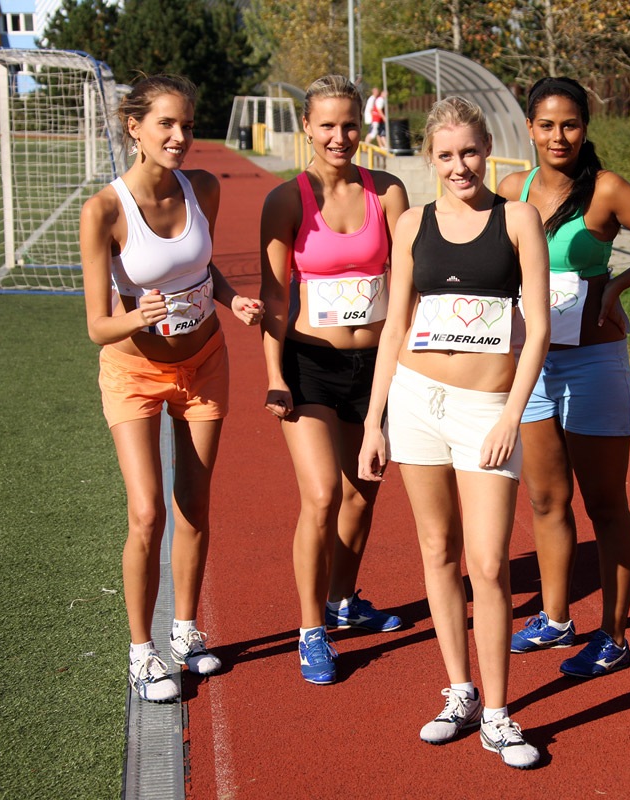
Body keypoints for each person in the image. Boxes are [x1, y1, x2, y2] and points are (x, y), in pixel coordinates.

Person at [358, 97, 550, 768]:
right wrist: (374, 420)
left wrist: (509, 415)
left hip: (487, 408)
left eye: (469, 151)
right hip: (416, 401)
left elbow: (540, 331)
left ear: (487, 148)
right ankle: (460, 692)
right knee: (438, 550)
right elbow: (394, 325)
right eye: (445, 155)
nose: (459, 165)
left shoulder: (519, 219)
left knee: (491, 563)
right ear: (431, 159)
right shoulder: (412, 223)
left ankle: (499, 714)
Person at [79, 74, 264, 703]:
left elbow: (200, 266)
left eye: (187, 124)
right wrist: (133, 316)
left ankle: (186, 631)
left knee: (195, 503)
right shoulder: (104, 210)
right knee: (146, 511)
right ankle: (141, 652)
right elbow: (96, 325)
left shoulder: (203, 188)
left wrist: (234, 300)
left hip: (206, 361)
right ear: (134, 128)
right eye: (166, 124)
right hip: (134, 372)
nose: (181, 137)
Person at [497, 77, 630, 678]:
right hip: (534, 362)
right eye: (548, 125)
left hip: (592, 359)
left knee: (606, 504)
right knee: (547, 499)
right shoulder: (512, 190)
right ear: (529, 127)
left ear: (585, 127)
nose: (560, 136)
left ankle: (614, 632)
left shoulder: (604, 190)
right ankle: (556, 619)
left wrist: (615, 286)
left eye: (571, 124)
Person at [260, 75, 409, 685]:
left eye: (349, 124)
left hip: (376, 367)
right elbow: (273, 296)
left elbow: (408, 279)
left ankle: (343, 601)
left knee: (361, 491)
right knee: (322, 494)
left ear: (363, 125)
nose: (339, 136)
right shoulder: (287, 199)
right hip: (309, 366)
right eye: (326, 125)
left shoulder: (389, 191)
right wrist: (274, 375)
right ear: (307, 128)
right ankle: (310, 630)